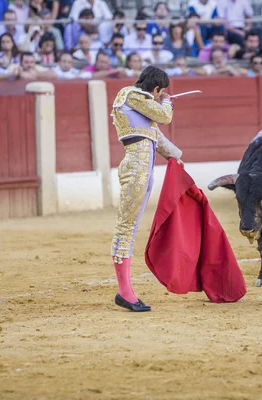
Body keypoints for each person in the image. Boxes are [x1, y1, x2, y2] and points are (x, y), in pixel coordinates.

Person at [110, 65, 184, 312]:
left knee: (131, 225)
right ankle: (125, 292)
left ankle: (126, 290)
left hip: (143, 171)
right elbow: (164, 116)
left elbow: (157, 137)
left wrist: (176, 156)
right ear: (156, 88)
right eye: (160, 91)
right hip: (135, 170)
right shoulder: (130, 95)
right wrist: (167, 102)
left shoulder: (141, 107)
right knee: (126, 225)